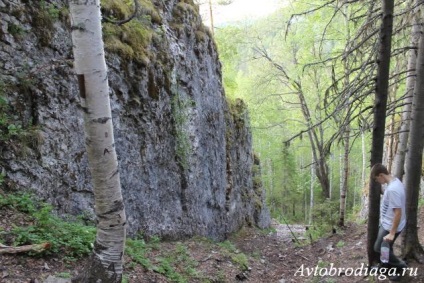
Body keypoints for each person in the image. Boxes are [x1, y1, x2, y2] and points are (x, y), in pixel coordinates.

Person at [371, 163, 407, 280]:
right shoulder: (394, 182)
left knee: (378, 248)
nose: (377, 182)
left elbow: (398, 212)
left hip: (391, 225)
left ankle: (400, 266)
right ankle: (387, 268)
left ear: (381, 175)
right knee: (386, 248)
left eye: (377, 179)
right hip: (389, 222)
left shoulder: (392, 189)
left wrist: (392, 233)